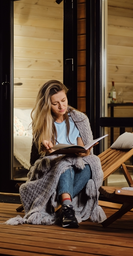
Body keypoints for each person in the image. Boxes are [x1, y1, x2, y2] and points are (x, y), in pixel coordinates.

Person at [6, 80, 106, 228]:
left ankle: (66, 208)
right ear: (47, 104)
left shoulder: (80, 119)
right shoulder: (42, 122)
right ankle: (68, 208)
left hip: (78, 165)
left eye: (64, 100)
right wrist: (45, 148)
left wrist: (85, 150)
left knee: (90, 164)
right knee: (64, 164)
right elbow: (37, 159)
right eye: (55, 103)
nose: (61, 106)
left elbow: (86, 153)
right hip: (52, 168)